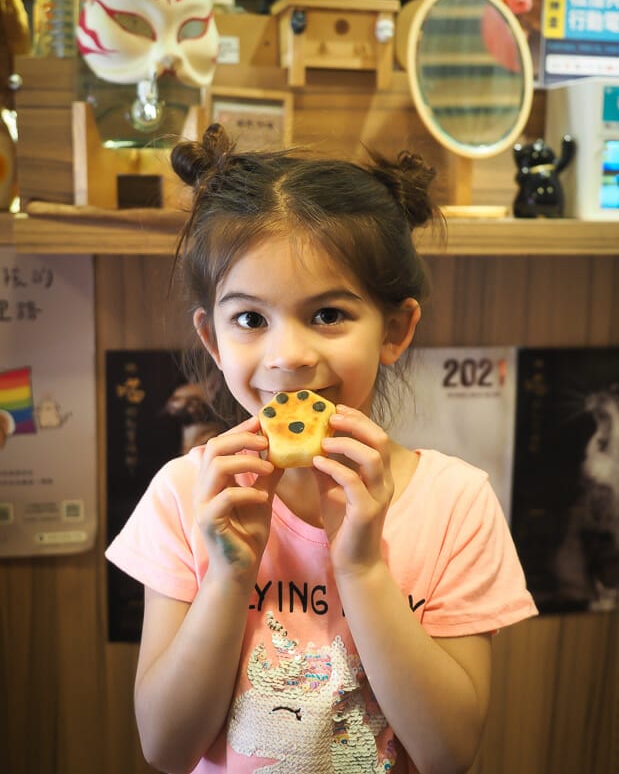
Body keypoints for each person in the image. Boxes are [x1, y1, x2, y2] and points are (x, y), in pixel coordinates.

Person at [106, 124, 538, 774]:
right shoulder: (184, 495)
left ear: (394, 329)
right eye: (250, 318)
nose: (288, 356)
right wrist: (226, 575)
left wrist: (362, 569)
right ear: (214, 338)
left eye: (328, 314)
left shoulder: (455, 502)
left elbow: (449, 752)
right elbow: (166, 748)